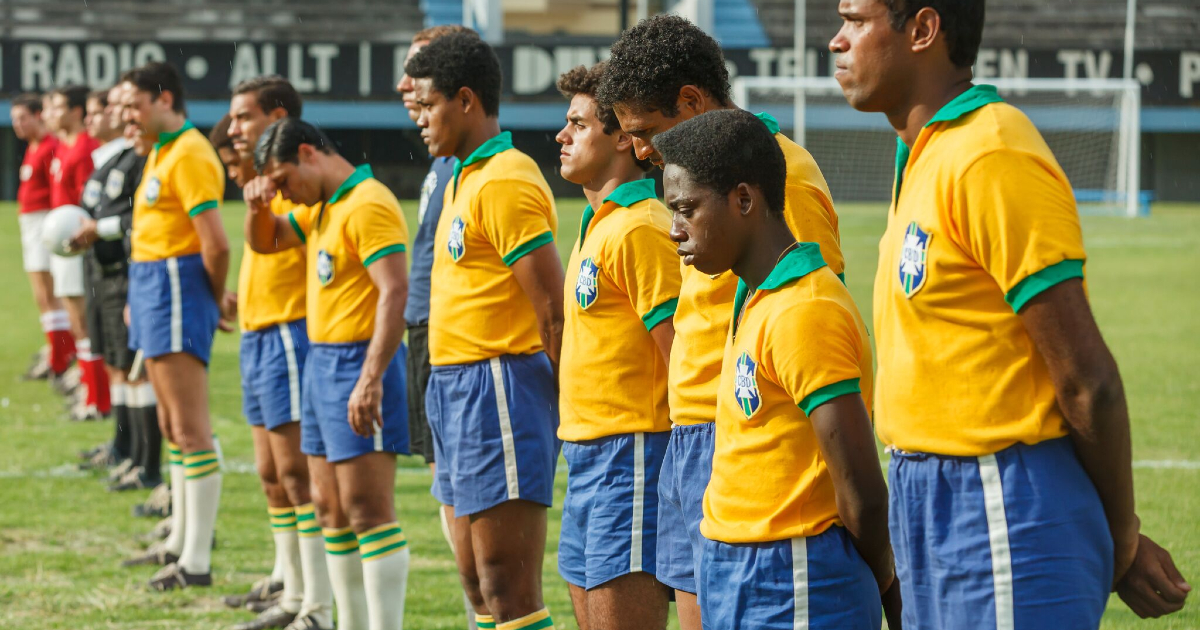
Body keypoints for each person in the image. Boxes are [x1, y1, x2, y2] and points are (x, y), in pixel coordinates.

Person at [828, 0, 1192, 626]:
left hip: (997, 497)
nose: (837, 41)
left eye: (856, 20)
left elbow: (1087, 379)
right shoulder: (921, 154)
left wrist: (1119, 535)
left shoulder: (990, 152)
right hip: (928, 496)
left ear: (923, 29)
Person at [595, 15, 845, 628]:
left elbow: (815, 315)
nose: (639, 149)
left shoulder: (781, 175)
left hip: (748, 439)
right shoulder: (690, 187)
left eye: (646, 130)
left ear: (691, 101)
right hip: (693, 436)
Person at [656, 109, 899, 629]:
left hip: (795, 574)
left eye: (686, 209)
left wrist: (884, 582)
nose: (674, 232)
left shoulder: (804, 309)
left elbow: (859, 486)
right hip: (736, 565)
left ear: (744, 200)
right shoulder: (756, 296)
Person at [406, 32, 564, 630]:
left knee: (505, 582)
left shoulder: (505, 178)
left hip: (497, 384)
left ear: (466, 100)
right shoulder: (462, 177)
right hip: (453, 386)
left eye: (428, 105)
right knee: (474, 578)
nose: (420, 119)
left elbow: (551, 310)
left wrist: (564, 403)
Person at [246, 117, 412, 630]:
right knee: (327, 506)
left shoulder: (368, 203)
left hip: (359, 361)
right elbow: (267, 241)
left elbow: (394, 290)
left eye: (284, 181)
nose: (284, 196)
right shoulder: (322, 208)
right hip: (322, 361)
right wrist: (257, 207)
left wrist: (371, 376)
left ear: (308, 153)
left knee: (366, 508)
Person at [553, 63, 679, 630]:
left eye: (578, 124)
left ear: (624, 138)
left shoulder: (640, 228)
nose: (562, 135)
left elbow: (679, 353)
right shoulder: (599, 223)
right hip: (588, 452)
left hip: (630, 453)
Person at [228, 76, 342, 630]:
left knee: (298, 476)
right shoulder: (267, 184)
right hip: (259, 331)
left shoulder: (303, 181)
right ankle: (292, 589)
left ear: (276, 117)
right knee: (272, 473)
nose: (233, 130)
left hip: (289, 332)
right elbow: (259, 243)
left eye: (243, 118)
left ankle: (312, 604)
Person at [119, 61, 231, 591]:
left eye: (134, 106)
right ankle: (178, 543)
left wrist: (211, 298)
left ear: (164, 99)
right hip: (153, 288)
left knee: (190, 427)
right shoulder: (161, 152)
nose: (128, 117)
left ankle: (196, 560)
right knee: (172, 427)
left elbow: (215, 241)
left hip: (176, 288)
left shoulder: (188, 152)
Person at [394, 23, 479, 630]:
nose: (405, 84)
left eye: (418, 72)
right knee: (443, 486)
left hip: (448, 334)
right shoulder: (441, 162)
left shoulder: (467, 166)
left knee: (456, 492)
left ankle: (484, 611)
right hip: (426, 327)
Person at [72, 84, 158, 488]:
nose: (91, 120)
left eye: (97, 112)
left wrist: (100, 229)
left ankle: (146, 461)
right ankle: (125, 449)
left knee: (135, 367)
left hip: (125, 274)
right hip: (101, 272)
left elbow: (137, 220)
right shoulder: (106, 162)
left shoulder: (138, 161)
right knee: (117, 362)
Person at [43, 85, 102, 412]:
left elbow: (86, 205)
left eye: (58, 107)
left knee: (82, 318)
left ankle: (95, 396)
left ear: (76, 111)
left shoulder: (84, 149)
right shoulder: (65, 147)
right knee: (74, 316)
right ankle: (87, 384)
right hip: (61, 244)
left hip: (77, 244)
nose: (51, 114)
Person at [12, 93, 71, 385]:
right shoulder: (34, 147)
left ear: (38, 115)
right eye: (14, 120)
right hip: (31, 223)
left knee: (49, 293)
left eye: (23, 117)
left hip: (45, 222)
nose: (17, 125)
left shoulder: (50, 147)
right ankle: (57, 350)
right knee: (43, 295)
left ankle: (62, 355)